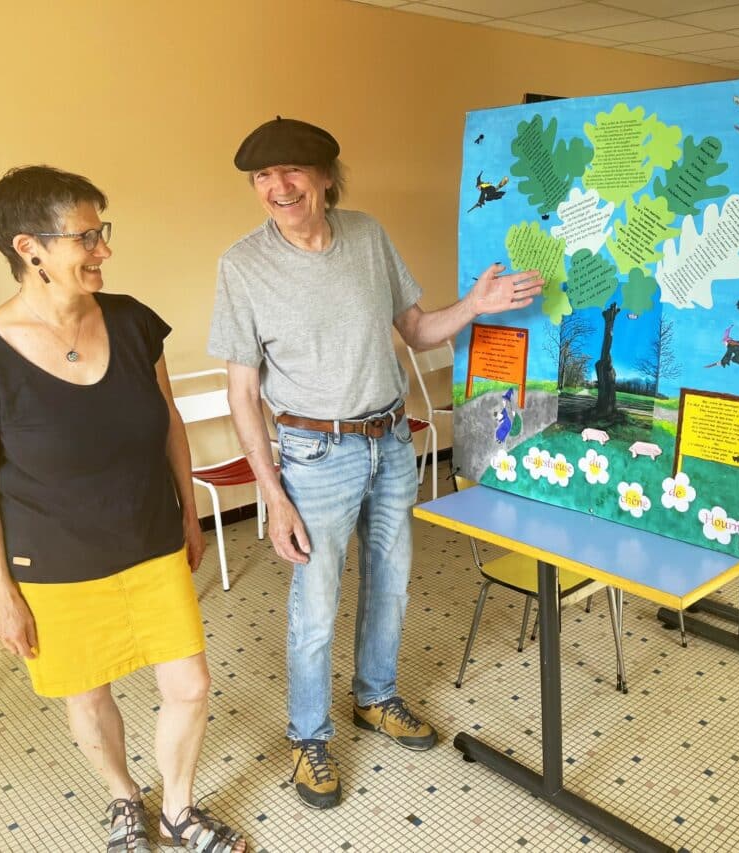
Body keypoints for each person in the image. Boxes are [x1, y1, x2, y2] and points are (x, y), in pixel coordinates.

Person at [208, 117, 542, 810]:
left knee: (390, 584)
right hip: (313, 454)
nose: (278, 186)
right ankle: (309, 736)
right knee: (315, 603)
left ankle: (375, 697)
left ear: (327, 177)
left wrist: (475, 305)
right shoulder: (242, 266)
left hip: (389, 441)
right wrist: (273, 493)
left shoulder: (367, 236)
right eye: (263, 176)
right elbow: (241, 392)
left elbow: (415, 330)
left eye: (293, 170)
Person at [0, 166, 247, 852]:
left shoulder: (133, 322)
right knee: (87, 692)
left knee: (190, 684)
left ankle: (177, 809)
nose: (103, 249)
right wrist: (2, 594)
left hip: (149, 541)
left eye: (100, 232)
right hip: (55, 564)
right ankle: (123, 796)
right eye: (86, 236)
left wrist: (188, 511)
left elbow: (168, 419)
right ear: (29, 248)